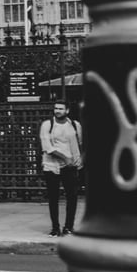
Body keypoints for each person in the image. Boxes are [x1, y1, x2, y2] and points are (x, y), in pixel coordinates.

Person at [40, 99, 83, 237]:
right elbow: (47, 147)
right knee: (53, 198)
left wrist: (78, 160)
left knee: (72, 197)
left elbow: (79, 144)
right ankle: (55, 228)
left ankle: (68, 227)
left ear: (67, 111)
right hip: (52, 166)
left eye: (60, 108)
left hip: (70, 167)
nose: (57, 111)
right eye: (56, 108)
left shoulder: (75, 125)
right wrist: (65, 158)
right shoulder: (47, 125)